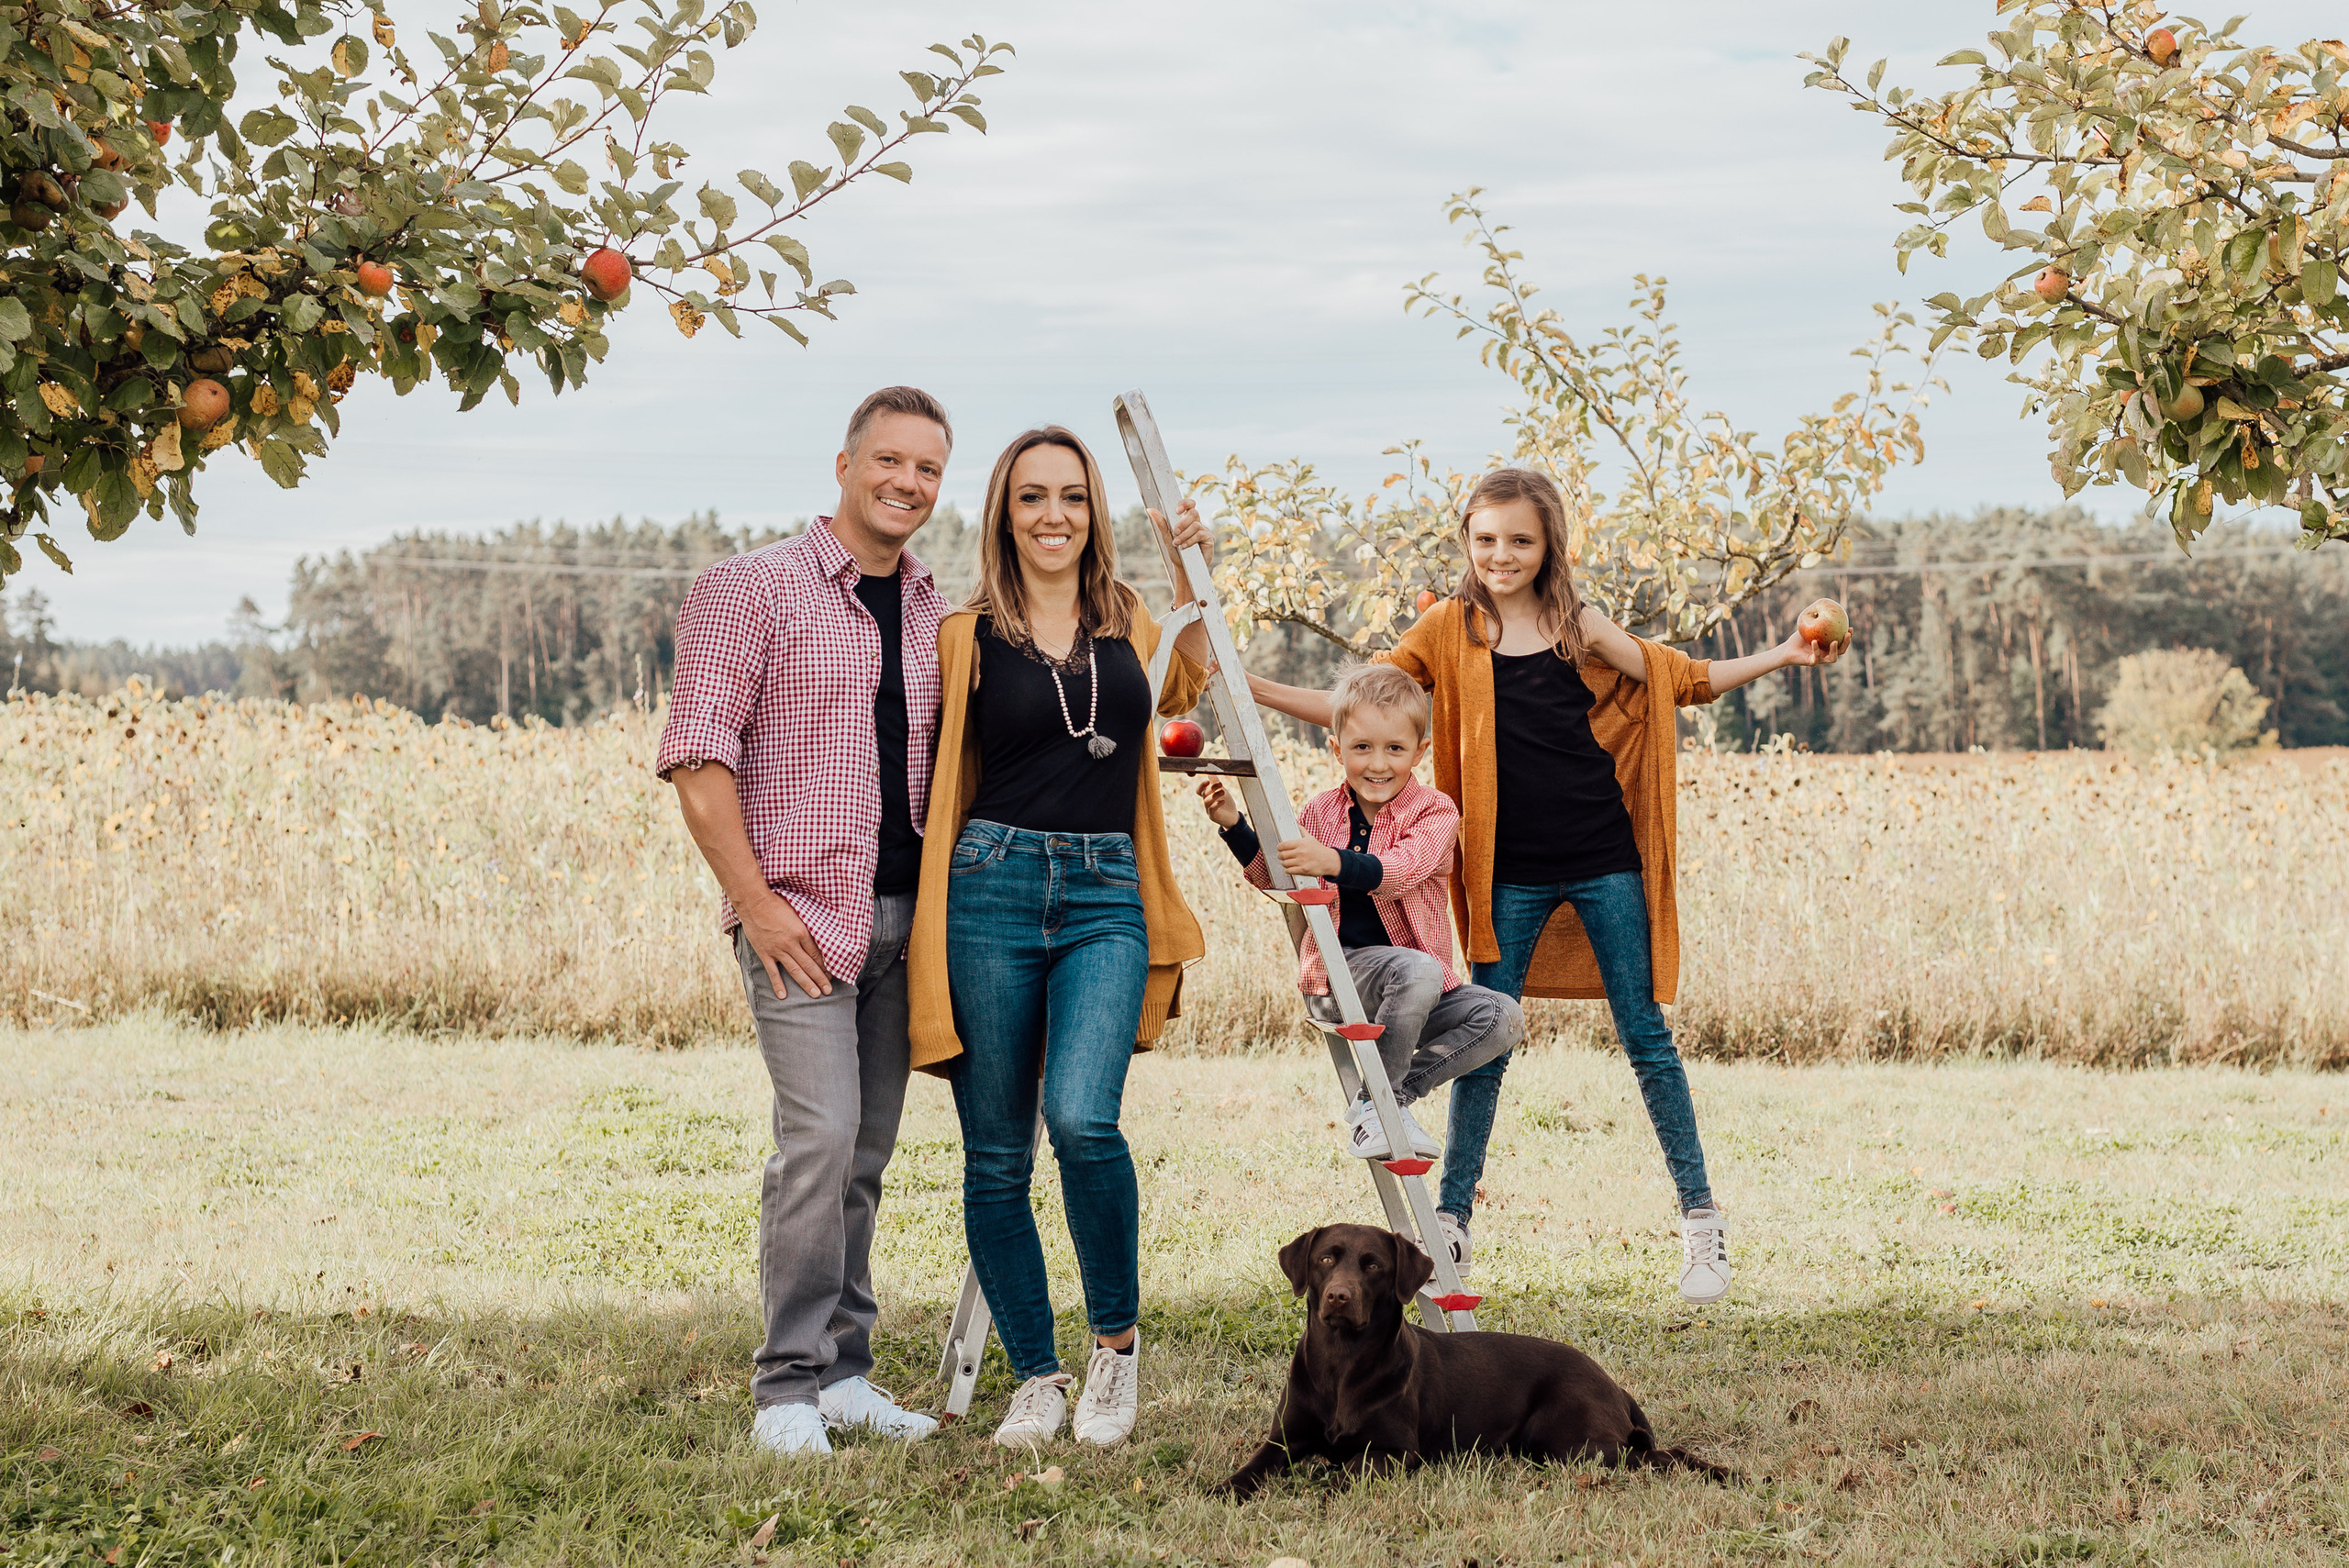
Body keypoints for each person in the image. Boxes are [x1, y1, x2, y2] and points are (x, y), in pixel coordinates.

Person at [1242, 467, 1848, 1305]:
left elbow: (1681, 679)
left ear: (1548, 543)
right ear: (1467, 542)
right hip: (1508, 874)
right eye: (1485, 539)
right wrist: (1249, 691)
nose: (1502, 554)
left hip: (1604, 858)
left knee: (1646, 1034)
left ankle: (1701, 1222)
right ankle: (1451, 1223)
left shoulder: (1578, 623)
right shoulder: (1447, 628)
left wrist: (1784, 652)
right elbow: (1359, 705)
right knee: (1491, 1041)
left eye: (1520, 539)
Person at [657, 386, 956, 1456]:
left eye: (926, 469)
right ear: (843, 462)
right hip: (799, 919)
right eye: (889, 460)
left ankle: (846, 1374)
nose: (906, 483)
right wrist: (754, 904)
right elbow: (697, 758)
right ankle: (784, 1387)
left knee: (865, 1152)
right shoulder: (751, 588)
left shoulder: (932, 607)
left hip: (907, 923)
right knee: (818, 1140)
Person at [905, 425, 1215, 1451]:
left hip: (1103, 892)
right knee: (995, 1155)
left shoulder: (1126, 617)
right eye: (1031, 496)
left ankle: (1113, 1351)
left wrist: (1188, 559)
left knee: (1083, 1121)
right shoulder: (964, 632)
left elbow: (1187, 685)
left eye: (1072, 497)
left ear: (1093, 513)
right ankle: (1035, 1376)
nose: (1053, 515)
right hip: (989, 886)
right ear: (1003, 511)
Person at [1197, 662, 1522, 1162]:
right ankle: (1381, 1108)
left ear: (1420, 751)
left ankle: (1384, 1102)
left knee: (1501, 1015)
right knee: (1416, 968)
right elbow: (1276, 878)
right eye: (1362, 747)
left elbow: (1403, 870)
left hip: (1419, 989)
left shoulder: (1436, 811)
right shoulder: (1318, 813)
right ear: (1336, 749)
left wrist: (1333, 860)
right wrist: (1235, 826)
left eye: (1395, 749)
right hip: (1339, 978)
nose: (1378, 763)